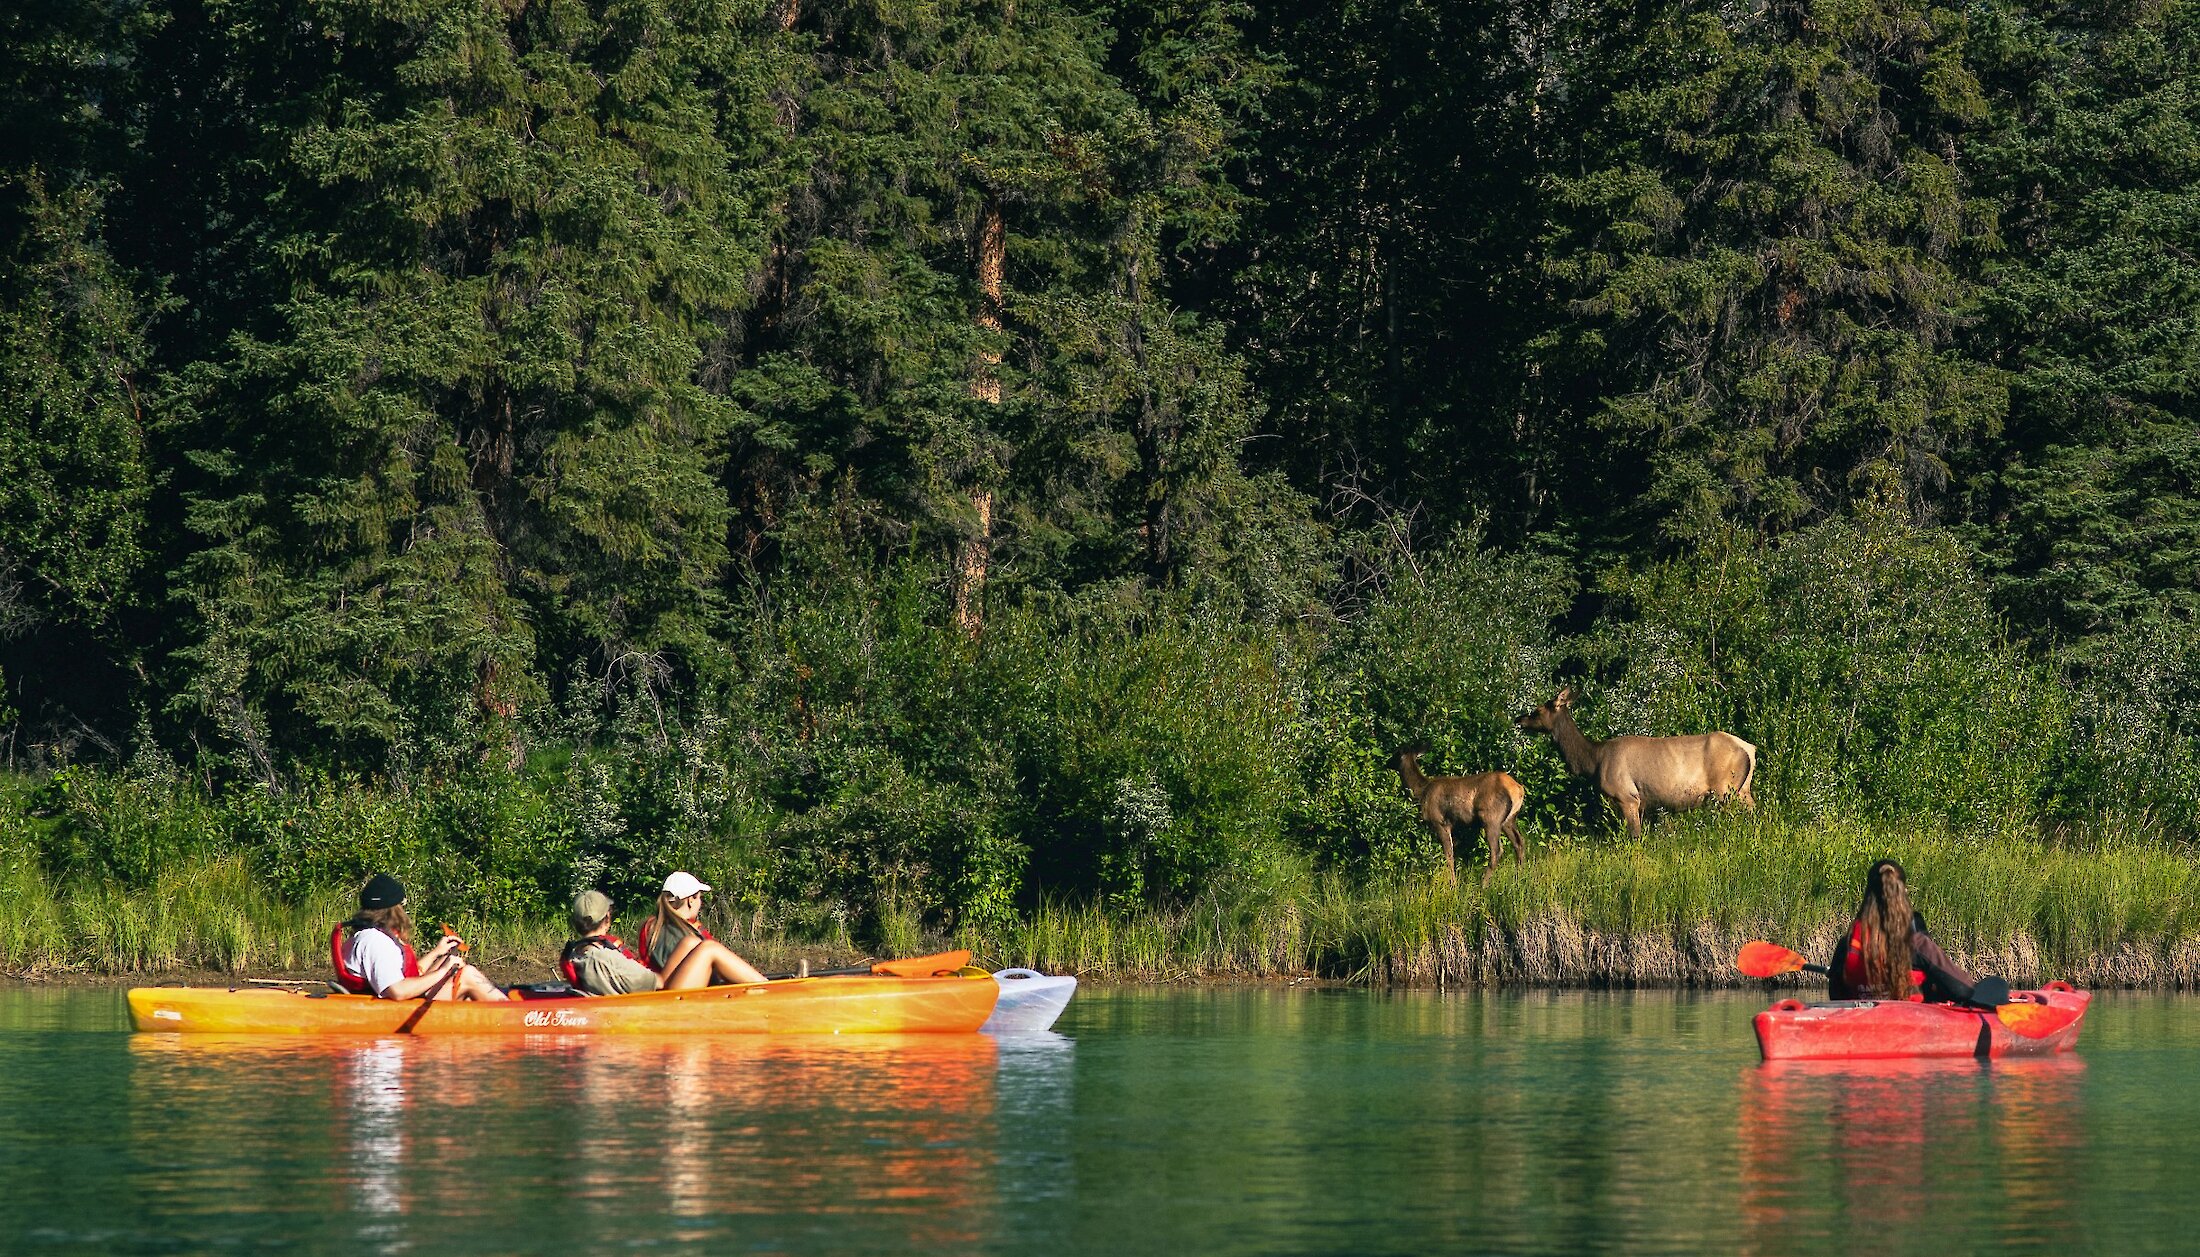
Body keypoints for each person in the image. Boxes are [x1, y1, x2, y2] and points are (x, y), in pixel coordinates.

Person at [333, 873, 507, 1001]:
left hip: (399, 1001)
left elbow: (403, 974)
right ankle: (515, 1014)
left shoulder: (364, 936)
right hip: (397, 1008)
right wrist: (444, 971)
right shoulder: (376, 942)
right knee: (467, 974)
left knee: (449, 960)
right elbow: (398, 991)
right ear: (393, 908)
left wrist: (437, 953)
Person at [1827, 859, 1979, 1004]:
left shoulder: (1848, 944)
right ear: (1903, 893)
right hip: (1912, 1026)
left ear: (1868, 895)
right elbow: (1963, 990)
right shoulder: (1918, 945)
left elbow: (1836, 995)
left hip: (1862, 1024)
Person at [636, 871, 768, 989]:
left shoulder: (652, 927)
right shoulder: (679, 934)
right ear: (690, 900)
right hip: (674, 1000)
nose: (700, 903)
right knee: (709, 948)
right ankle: (768, 987)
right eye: (699, 897)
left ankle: (765, 985)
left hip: (662, 994)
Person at [560, 890, 660, 995]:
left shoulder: (573, 954)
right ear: (607, 918)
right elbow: (659, 983)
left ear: (575, 922)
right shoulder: (605, 957)